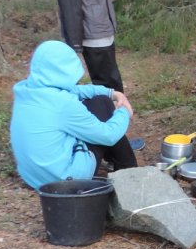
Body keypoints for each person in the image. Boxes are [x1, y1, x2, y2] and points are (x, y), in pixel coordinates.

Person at [10, 40, 138, 190]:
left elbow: (73, 90)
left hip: (34, 178)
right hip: (66, 181)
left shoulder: (25, 89)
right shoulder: (63, 104)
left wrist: (110, 92)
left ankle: (118, 161)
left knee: (100, 101)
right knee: (103, 105)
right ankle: (129, 170)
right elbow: (108, 135)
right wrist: (123, 110)